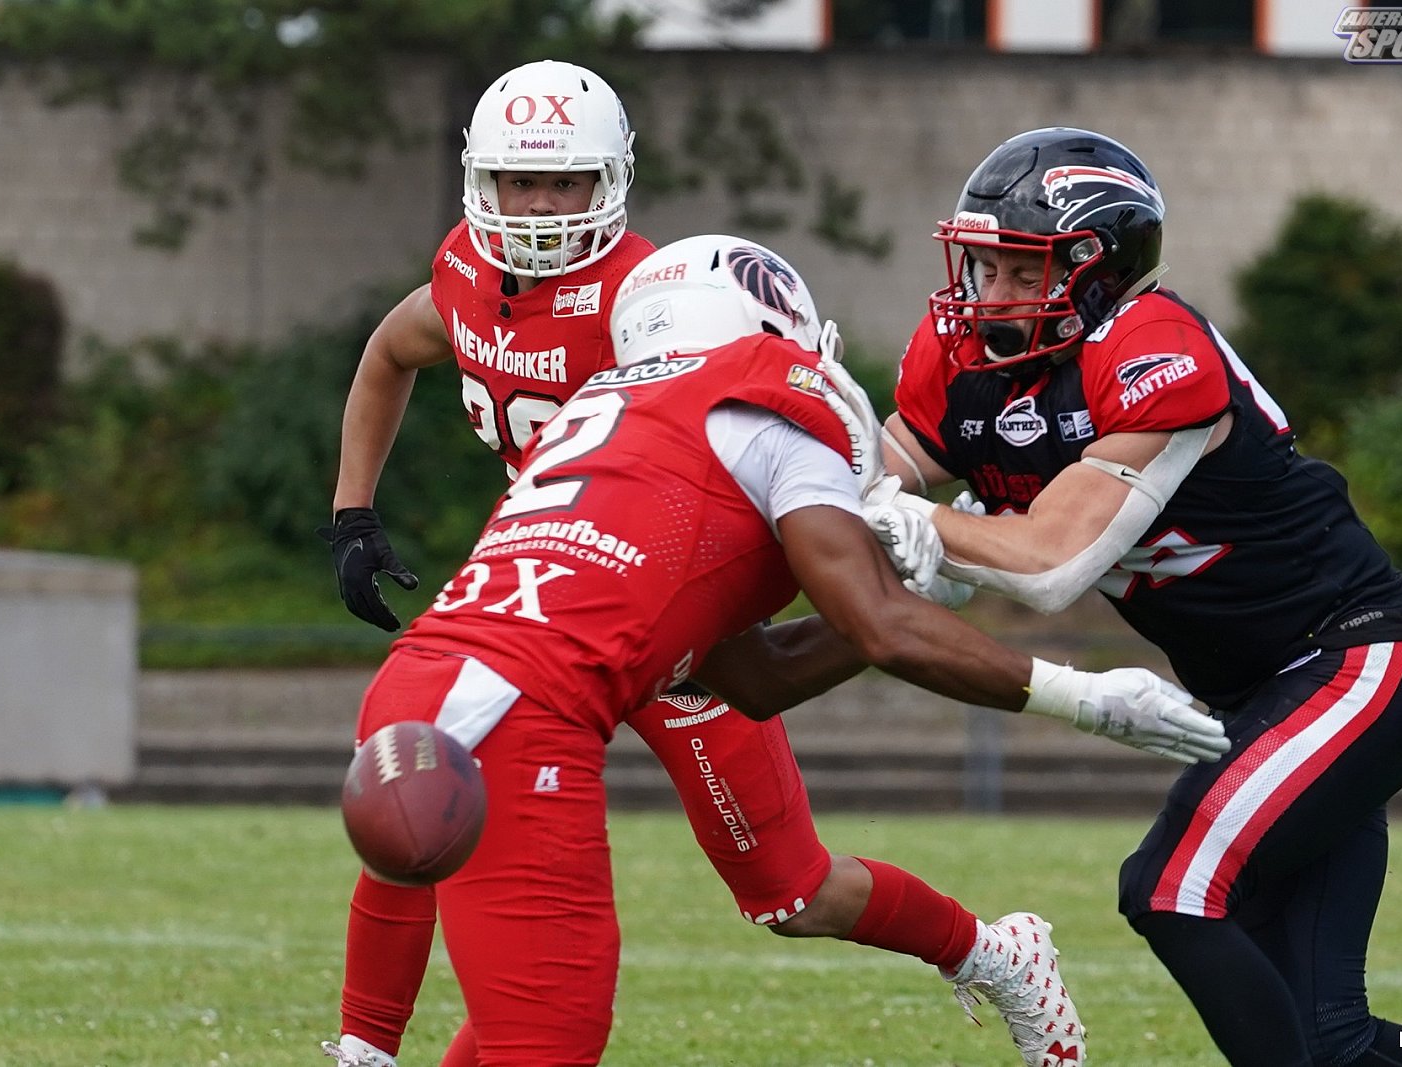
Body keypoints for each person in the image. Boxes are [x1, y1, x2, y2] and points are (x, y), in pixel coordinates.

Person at [317, 67, 1224, 1067]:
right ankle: (366, 1047)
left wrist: (907, 580)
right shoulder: (482, 281)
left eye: (562, 182)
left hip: (646, 603)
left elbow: (774, 658)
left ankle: (992, 952)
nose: (536, 207)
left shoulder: (666, 318)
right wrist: (352, 511)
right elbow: (391, 350)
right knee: (461, 849)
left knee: (786, 891)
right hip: (564, 605)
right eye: (516, 182)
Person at [863, 127, 1402, 1067]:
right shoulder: (962, 360)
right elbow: (866, 482)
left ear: (1100, 271)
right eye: (984, 267)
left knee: (1171, 888)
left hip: (1350, 661)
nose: (991, 295)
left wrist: (926, 525)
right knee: (1332, 1038)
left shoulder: (1152, 346)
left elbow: (1049, 564)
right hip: (1265, 694)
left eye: (1023, 272)